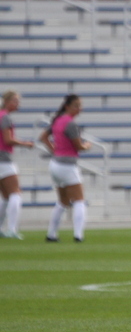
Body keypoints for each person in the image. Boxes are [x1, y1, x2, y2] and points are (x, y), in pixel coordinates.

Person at [38, 94, 91, 243]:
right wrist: (87, 145)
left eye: (80, 105)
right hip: (67, 166)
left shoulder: (57, 120)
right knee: (79, 200)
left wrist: (54, 149)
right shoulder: (71, 124)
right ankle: (78, 235)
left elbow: (43, 137)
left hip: (55, 164)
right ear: (67, 106)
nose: (79, 109)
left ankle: (51, 234)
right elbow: (78, 146)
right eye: (76, 105)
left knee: (63, 201)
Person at [0, 91, 35, 239]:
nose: (17, 104)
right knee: (16, 193)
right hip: (3, 158)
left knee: (6, 196)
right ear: (7, 101)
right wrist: (25, 143)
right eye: (15, 101)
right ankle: (12, 229)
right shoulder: (5, 117)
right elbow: (8, 140)